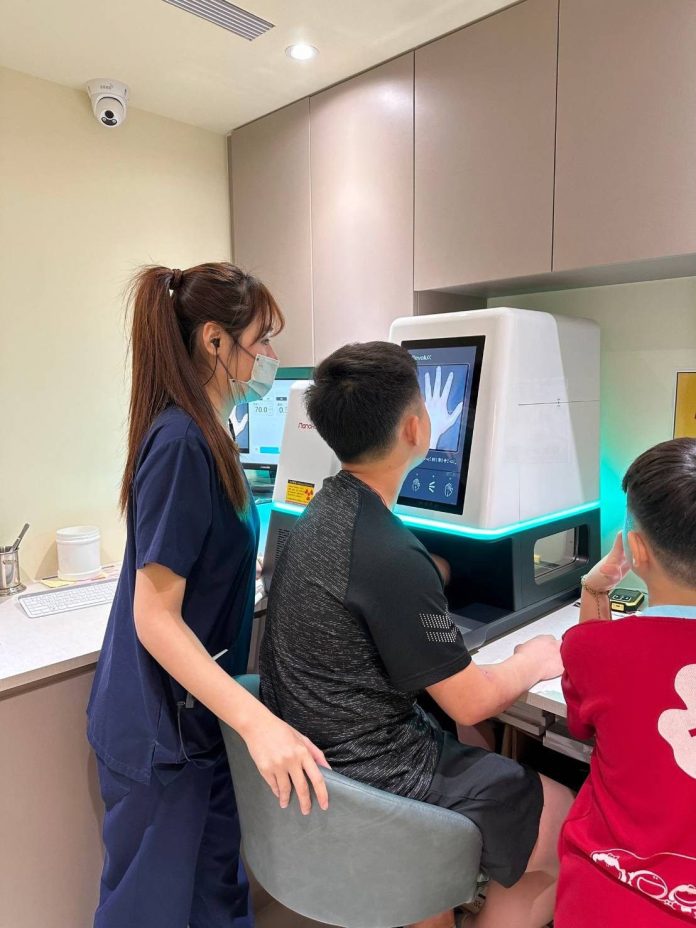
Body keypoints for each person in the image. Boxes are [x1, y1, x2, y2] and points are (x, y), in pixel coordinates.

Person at [260, 341, 574, 928]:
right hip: (380, 782)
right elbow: (473, 699)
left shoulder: (320, 515)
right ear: (415, 427)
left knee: (475, 741)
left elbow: (369, 584)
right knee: (562, 821)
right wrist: (535, 657)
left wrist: (423, 574)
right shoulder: (388, 553)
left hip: (328, 772)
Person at [87, 263, 328, 928]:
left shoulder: (213, 435)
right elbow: (155, 617)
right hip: (162, 734)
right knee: (150, 911)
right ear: (216, 340)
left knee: (217, 900)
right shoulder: (180, 443)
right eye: (263, 338)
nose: (272, 356)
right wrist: (259, 723)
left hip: (201, 722)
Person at [556, 438, 696, 927]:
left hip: (606, 896)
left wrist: (594, 588)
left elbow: (582, 723)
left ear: (635, 549)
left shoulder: (591, 650)